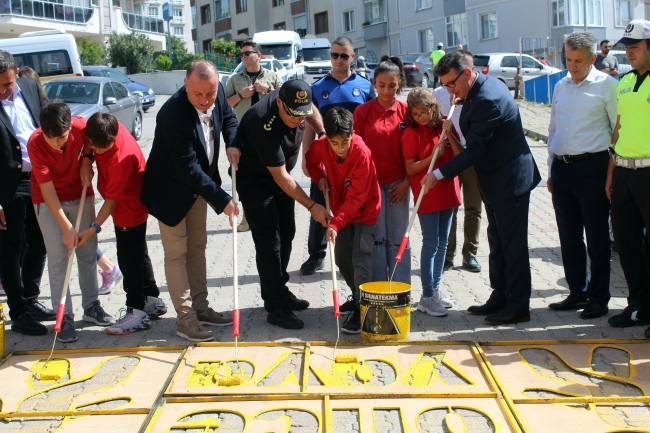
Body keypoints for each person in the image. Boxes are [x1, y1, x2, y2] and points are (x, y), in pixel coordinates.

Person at [422, 51, 541, 325]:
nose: (450, 90)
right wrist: (460, 97)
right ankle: (500, 296)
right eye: (445, 86)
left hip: (510, 181)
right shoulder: (480, 86)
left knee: (513, 245)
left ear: (467, 72)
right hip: (494, 181)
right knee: (497, 241)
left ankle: (518, 305)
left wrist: (437, 174)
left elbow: (473, 151)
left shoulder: (487, 99)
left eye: (452, 84)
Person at [140, 60, 239, 342]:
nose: (206, 101)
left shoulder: (215, 94)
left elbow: (229, 118)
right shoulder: (172, 115)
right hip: (170, 192)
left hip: (198, 188)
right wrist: (223, 201)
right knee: (177, 254)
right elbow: (188, 168)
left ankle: (201, 307)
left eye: (211, 93)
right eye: (199, 94)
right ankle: (186, 320)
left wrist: (232, 143)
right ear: (186, 85)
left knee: (198, 247)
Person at [229, 79, 328, 330]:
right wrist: (311, 205)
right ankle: (275, 306)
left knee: (287, 233)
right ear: (279, 103)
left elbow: (312, 109)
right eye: (294, 117)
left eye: (302, 116)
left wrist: (323, 134)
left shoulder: (297, 100)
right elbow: (281, 177)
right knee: (269, 241)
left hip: (280, 177)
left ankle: (280, 289)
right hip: (257, 181)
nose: (299, 122)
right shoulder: (262, 123)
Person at [28, 101, 114, 342]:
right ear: (42, 129)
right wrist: (66, 228)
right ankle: (63, 314)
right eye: (51, 138)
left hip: (80, 193)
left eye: (62, 137)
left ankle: (91, 306)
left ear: (70, 127)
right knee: (59, 258)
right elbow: (47, 190)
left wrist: (86, 159)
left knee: (87, 253)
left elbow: (89, 145)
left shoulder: (81, 127)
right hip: (48, 201)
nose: (57, 143)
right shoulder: (35, 143)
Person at [546, 32, 617, 319]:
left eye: (578, 61)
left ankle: (599, 298)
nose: (572, 66)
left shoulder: (607, 86)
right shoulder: (561, 86)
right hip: (563, 169)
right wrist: (551, 169)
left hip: (593, 169)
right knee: (569, 236)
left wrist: (611, 173)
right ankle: (578, 292)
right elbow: (553, 129)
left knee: (597, 237)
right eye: (568, 59)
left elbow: (617, 131)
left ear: (593, 58)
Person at [78, 112, 166, 335]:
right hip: (131, 204)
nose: (98, 152)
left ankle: (136, 310)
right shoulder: (107, 125)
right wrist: (86, 159)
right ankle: (152, 298)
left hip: (129, 208)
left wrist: (93, 228)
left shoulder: (120, 160)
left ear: (113, 137)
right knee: (139, 253)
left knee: (129, 259)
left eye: (102, 149)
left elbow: (109, 202)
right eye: (94, 147)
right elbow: (88, 141)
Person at [300, 36, 376, 277]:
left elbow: (372, 122)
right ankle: (316, 253)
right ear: (330, 56)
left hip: (355, 157)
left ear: (352, 57)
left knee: (354, 201)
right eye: (335, 55)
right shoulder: (318, 87)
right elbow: (310, 124)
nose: (339, 59)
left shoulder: (365, 86)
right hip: (326, 157)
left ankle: (351, 248)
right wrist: (306, 154)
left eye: (344, 55)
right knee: (320, 202)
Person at [305, 107, 380, 334]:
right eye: (334, 143)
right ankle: (357, 296)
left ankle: (364, 311)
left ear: (352, 133)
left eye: (344, 142)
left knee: (360, 258)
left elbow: (357, 197)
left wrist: (335, 224)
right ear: (326, 137)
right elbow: (310, 163)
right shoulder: (321, 146)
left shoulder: (361, 152)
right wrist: (320, 179)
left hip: (365, 211)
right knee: (341, 258)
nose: (340, 149)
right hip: (340, 211)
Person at [0, 49, 53, 336]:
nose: (5, 91)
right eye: (0, 86)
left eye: (9, 84)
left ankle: (31, 301)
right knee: (11, 249)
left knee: (40, 242)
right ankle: (18, 312)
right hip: (8, 184)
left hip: (40, 178)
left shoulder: (30, 86)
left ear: (17, 74)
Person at [354, 56, 411, 305]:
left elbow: (416, 150)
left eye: (392, 85)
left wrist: (408, 181)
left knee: (398, 241)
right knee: (376, 241)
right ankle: (377, 293)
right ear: (374, 84)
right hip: (371, 186)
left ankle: (400, 294)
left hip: (399, 185)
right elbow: (355, 149)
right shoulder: (362, 112)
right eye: (382, 85)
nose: (387, 90)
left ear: (399, 84)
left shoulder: (407, 112)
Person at [605, 19, 650, 337]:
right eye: (627, 47)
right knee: (627, 243)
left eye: (635, 46)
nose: (629, 52)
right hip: (623, 172)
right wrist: (611, 174)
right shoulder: (623, 82)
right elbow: (617, 130)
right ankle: (639, 305)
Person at [402, 88, 462, 317]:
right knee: (430, 244)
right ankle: (426, 296)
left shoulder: (445, 126)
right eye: (415, 114)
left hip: (448, 189)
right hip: (427, 192)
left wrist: (450, 135)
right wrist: (433, 155)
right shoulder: (411, 133)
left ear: (434, 108)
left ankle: (435, 289)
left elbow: (460, 156)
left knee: (443, 244)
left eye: (424, 112)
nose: (420, 117)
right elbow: (410, 167)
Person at [225, 40, 284, 233]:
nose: (243, 56)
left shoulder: (273, 76)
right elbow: (225, 106)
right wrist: (241, 95)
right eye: (241, 54)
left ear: (259, 55)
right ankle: (247, 217)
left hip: (269, 133)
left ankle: (273, 212)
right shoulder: (234, 79)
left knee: (270, 172)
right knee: (241, 175)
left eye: (247, 53)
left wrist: (267, 90)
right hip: (243, 134)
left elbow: (285, 98)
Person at [436, 50, 483, 273]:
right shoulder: (441, 94)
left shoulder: (479, 94)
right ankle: (448, 254)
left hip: (473, 158)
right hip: (451, 159)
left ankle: (470, 254)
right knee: (451, 208)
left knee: (473, 208)